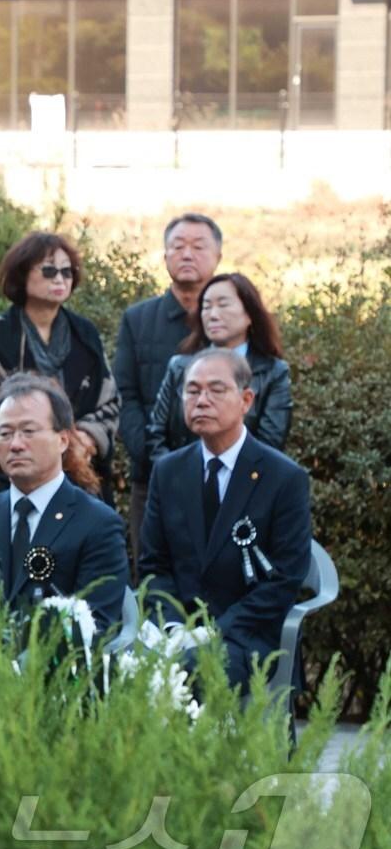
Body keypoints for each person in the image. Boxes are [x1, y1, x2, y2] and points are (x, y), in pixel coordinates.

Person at [138, 349, 311, 690]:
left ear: (246, 400)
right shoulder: (168, 471)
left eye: (216, 390)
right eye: (192, 390)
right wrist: (173, 627)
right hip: (177, 631)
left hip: (247, 636)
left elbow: (285, 578)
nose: (201, 401)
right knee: (116, 667)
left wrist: (215, 631)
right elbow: (153, 566)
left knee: (190, 672)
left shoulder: (283, 478)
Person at [0, 232, 119, 493]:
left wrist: (84, 439)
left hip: (83, 469)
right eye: (49, 270)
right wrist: (47, 442)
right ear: (22, 274)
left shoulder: (85, 333)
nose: (60, 278)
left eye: (67, 271)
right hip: (15, 472)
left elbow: (109, 400)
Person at [113, 213, 223, 551]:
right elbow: (124, 394)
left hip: (223, 476)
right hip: (152, 477)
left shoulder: (230, 320)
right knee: (152, 571)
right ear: (165, 256)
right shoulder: (138, 319)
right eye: (178, 246)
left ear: (218, 256)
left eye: (198, 246)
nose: (187, 254)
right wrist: (150, 454)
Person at [0, 375, 128, 633]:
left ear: (63, 440)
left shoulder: (98, 524)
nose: (16, 444)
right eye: (5, 434)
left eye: (29, 431)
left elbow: (96, 625)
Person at [146, 273, 292, 462]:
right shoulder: (180, 367)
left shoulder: (273, 372)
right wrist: (178, 473)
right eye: (206, 307)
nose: (213, 315)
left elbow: (270, 443)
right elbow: (155, 435)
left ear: (249, 314)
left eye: (223, 305)